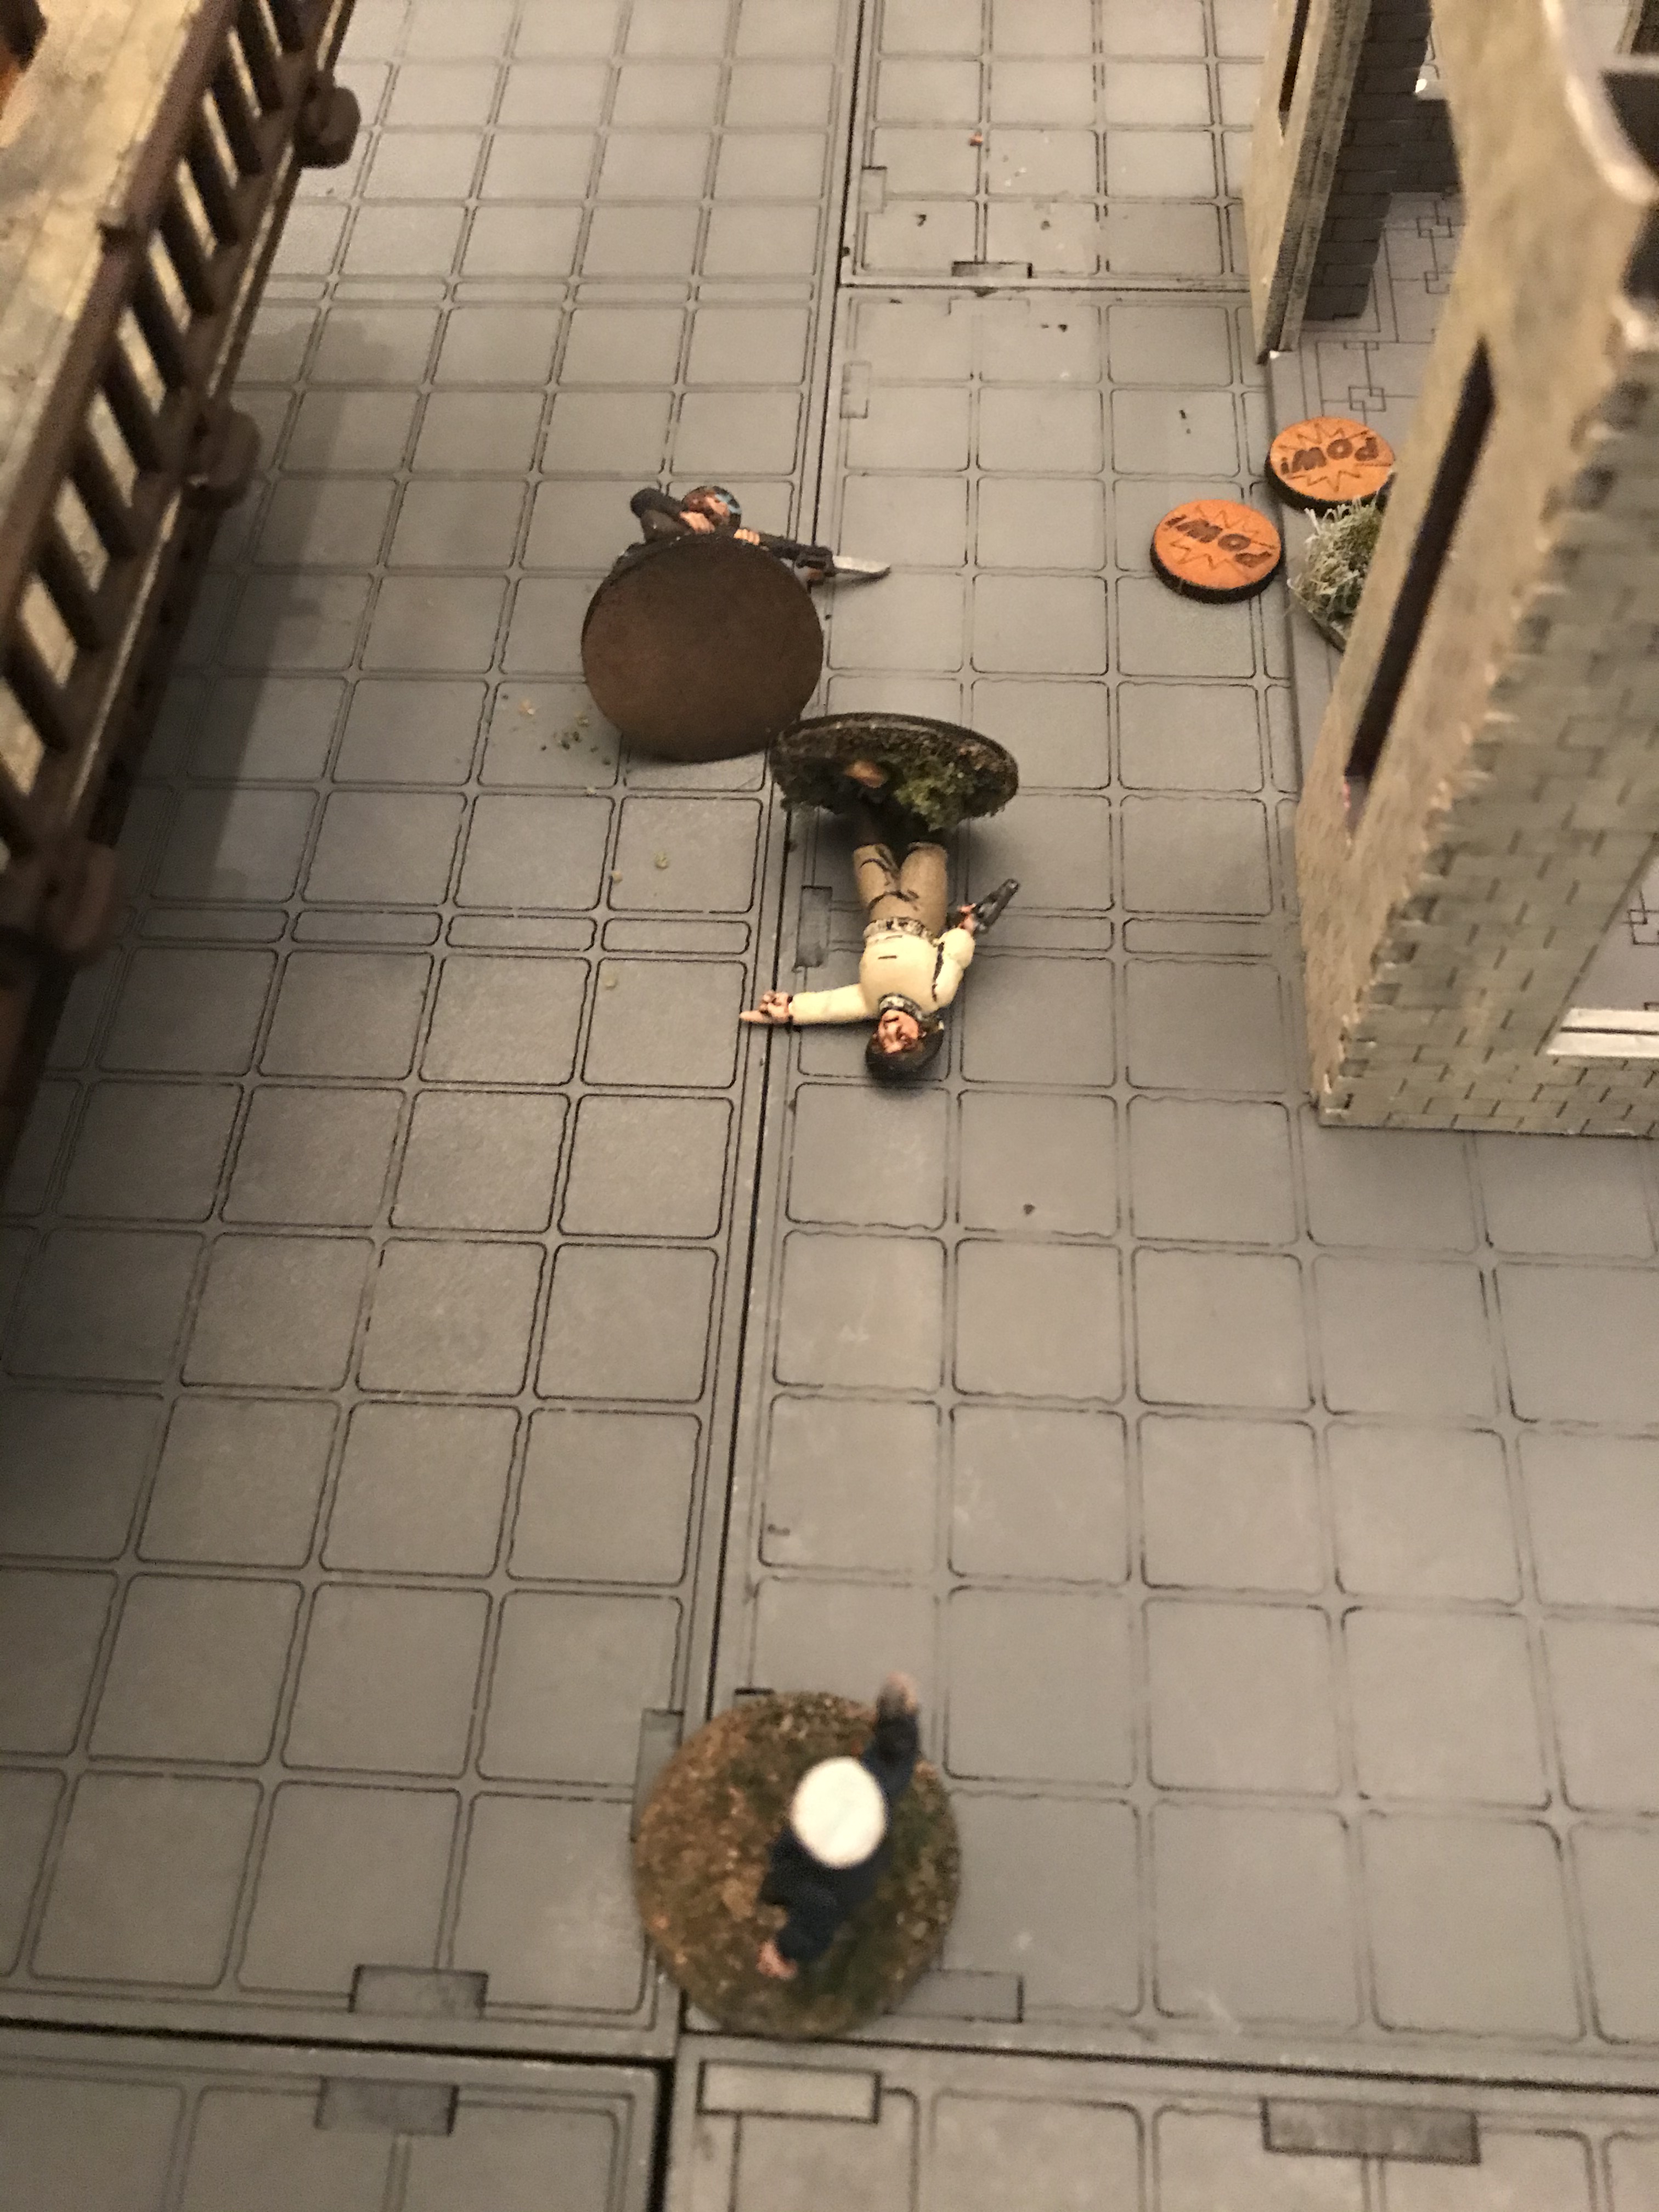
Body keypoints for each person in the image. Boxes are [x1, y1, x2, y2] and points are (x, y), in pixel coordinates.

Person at [740, 809, 979, 1082]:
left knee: (868, 856)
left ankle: (865, 806)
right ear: (923, 1034)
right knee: (927, 856)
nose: (889, 1028)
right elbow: (954, 956)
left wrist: (791, 1009)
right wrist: (964, 930)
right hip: (923, 914)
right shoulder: (935, 995)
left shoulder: (869, 1001)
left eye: (880, 1038)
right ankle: (930, 806)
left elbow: (829, 1006)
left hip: (879, 912)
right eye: (902, 1037)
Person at [755, 1674, 921, 1982]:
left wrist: (781, 1950)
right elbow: (895, 1753)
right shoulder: (880, 1783)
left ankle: (776, 1893)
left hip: (811, 1873)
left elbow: (810, 1931)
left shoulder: (817, 1891)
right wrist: (898, 1715)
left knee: (791, 1889)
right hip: (851, 1869)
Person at [617, 485, 886, 588]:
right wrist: (683, 515)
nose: (716, 510)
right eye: (714, 503)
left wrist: (750, 552)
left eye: (722, 512)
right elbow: (643, 499)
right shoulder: (672, 515)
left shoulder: (725, 541)